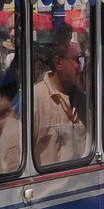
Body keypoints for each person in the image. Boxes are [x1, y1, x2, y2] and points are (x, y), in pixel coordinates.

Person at [33, 27, 90, 165]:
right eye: (76, 60)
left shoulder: (83, 100)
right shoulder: (36, 98)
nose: (80, 66)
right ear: (58, 63)